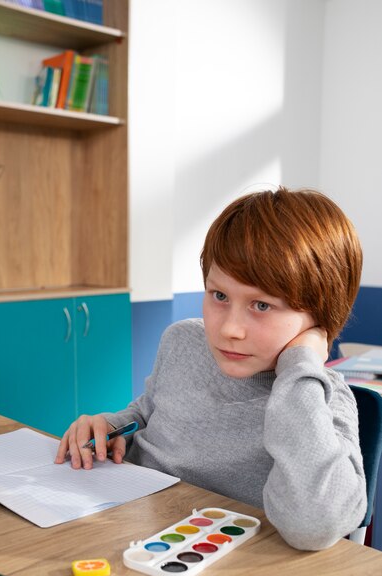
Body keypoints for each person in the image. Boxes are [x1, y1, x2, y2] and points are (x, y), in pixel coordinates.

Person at [55, 186, 367, 551]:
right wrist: (112, 426)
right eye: (219, 296)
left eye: (262, 305)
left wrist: (300, 366)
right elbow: (148, 412)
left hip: (220, 570)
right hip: (129, 531)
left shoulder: (319, 399)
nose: (229, 329)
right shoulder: (183, 340)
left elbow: (313, 525)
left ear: (319, 315)